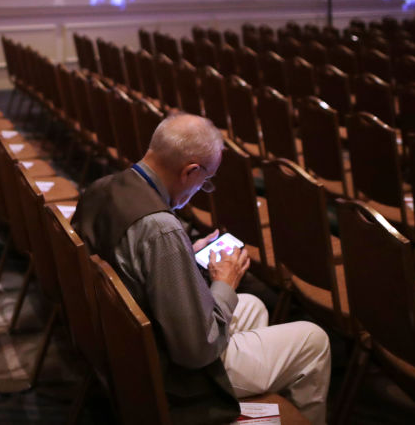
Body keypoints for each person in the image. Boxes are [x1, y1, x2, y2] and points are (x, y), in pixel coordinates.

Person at [74, 113, 331, 425]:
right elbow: (195, 351)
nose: (202, 187)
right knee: (314, 340)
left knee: (252, 306)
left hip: (126, 345)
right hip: (169, 373)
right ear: (190, 171)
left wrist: (184, 255)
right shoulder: (161, 229)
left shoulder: (103, 186)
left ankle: (252, 406)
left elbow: (128, 258)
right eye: (205, 180)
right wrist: (225, 282)